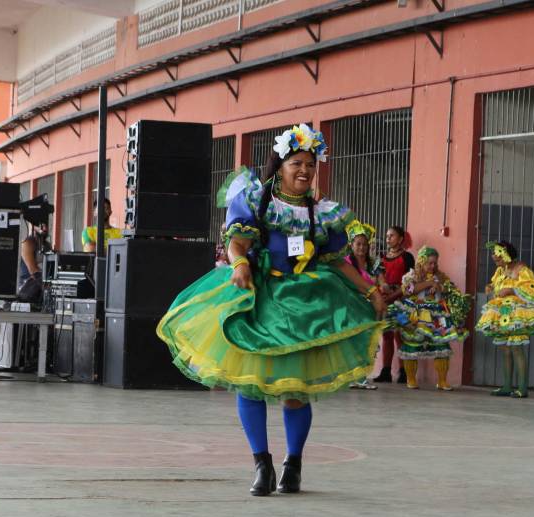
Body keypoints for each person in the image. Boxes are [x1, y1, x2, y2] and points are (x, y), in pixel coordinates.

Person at [157, 124, 386, 496]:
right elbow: (237, 243)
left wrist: (371, 289)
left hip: (307, 306)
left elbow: (339, 262)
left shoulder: (323, 212)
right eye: (296, 163)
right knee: (251, 386)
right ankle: (260, 464)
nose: (305, 171)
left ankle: (292, 465)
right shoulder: (255, 200)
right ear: (279, 165)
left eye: (310, 165)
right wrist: (240, 265)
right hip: (262, 299)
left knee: (296, 391)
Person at [388, 246, 470, 390]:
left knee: (441, 344)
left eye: (435, 263)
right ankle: (411, 379)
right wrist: (428, 283)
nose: (433, 266)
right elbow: (408, 291)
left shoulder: (441, 276)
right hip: (416, 315)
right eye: (429, 263)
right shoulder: (411, 276)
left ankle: (442, 380)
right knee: (413, 345)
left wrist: (439, 287)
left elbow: (452, 291)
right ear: (421, 262)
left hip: (437, 316)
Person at [476, 241, 534, 398]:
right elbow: (496, 285)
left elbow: (532, 287)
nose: (495, 258)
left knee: (516, 348)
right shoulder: (501, 270)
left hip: (517, 313)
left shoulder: (522, 269)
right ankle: (507, 386)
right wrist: (491, 287)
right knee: (506, 349)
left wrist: (511, 290)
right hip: (503, 311)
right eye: (494, 256)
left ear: (506, 253)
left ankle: (522, 388)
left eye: (498, 255)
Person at [373, 226, 415, 383]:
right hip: (385, 301)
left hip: (401, 301)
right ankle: (386, 371)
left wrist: (398, 292)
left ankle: (404, 371)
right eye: (387, 236)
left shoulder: (407, 257)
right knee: (387, 335)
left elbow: (411, 281)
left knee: (401, 335)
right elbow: (377, 277)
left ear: (401, 238)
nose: (388, 238)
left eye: (392, 235)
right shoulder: (381, 258)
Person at [345, 220, 380, 391]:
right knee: (353, 342)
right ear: (351, 244)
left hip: (370, 307)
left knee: (367, 342)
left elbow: (382, 282)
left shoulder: (373, 264)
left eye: (365, 244)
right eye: (358, 244)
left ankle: (361, 376)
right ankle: (353, 376)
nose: (361, 248)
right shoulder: (345, 263)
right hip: (352, 307)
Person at [17, 194, 54, 303]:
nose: (45, 228)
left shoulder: (47, 245)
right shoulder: (28, 243)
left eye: (46, 224)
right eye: (41, 225)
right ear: (34, 225)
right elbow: (33, 271)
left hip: (41, 286)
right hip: (26, 286)